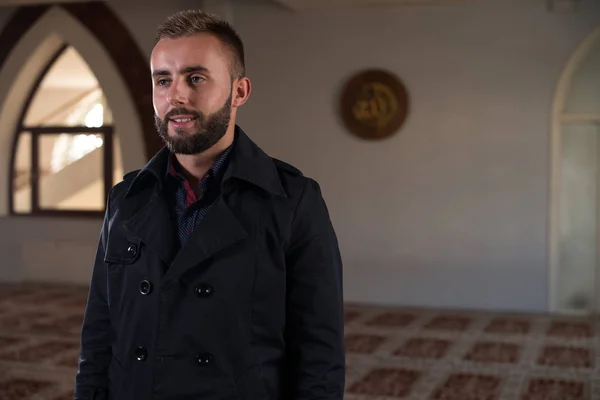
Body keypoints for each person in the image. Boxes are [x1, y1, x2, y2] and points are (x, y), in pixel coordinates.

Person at [74, 9, 345, 400]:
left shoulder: (293, 201)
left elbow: (319, 356)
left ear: (239, 92)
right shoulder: (125, 198)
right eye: (163, 80)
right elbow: (99, 335)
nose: (176, 95)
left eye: (195, 78)